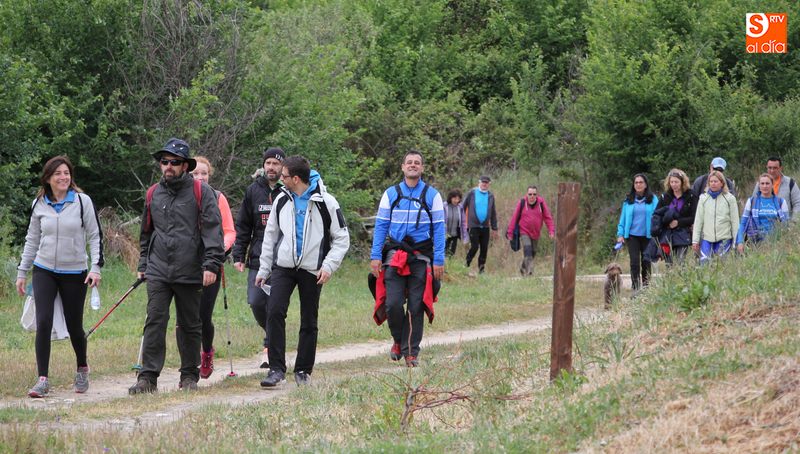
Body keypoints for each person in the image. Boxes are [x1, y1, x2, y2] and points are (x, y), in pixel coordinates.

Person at [129, 138, 224, 394]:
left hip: (190, 269)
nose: (168, 166)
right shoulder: (153, 193)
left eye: (174, 162)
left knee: (190, 325)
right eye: (164, 161)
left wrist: (211, 265)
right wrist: (143, 262)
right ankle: (147, 378)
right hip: (158, 269)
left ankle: (189, 376)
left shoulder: (201, 192)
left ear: (185, 166)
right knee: (154, 321)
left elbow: (213, 231)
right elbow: (146, 232)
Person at [255, 156, 350, 387]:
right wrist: (264, 268)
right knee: (274, 312)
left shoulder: (327, 202)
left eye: (285, 176)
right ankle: (276, 369)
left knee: (309, 319)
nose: (281, 179)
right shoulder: (281, 199)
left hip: (312, 269)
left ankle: (303, 370)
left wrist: (328, 266)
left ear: (296, 179)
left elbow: (342, 239)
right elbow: (270, 236)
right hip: (284, 266)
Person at [16, 155, 104, 398]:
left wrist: (95, 268)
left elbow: (95, 236)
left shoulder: (82, 202)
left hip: (75, 272)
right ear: (48, 178)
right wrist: (22, 272)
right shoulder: (39, 204)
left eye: (66, 173)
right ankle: (42, 380)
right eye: (58, 174)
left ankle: (82, 368)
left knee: (74, 325)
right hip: (44, 269)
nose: (63, 177)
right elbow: (32, 239)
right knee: (43, 321)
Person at [370, 150, 445, 367]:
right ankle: (398, 340)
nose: (413, 165)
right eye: (409, 162)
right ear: (403, 167)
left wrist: (439, 259)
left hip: (421, 257)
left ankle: (411, 352)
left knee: (415, 306)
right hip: (395, 255)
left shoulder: (433, 195)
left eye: (417, 163)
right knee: (393, 304)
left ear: (422, 168)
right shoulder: (390, 194)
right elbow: (381, 226)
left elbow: (439, 229)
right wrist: (375, 255)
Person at [232, 147, 285, 369]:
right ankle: (273, 337)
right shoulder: (253, 190)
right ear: (263, 166)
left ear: (282, 167)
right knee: (256, 301)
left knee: (275, 306)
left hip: (283, 258)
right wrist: (238, 254)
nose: (271, 167)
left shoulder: (288, 190)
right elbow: (243, 225)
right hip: (258, 256)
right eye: (268, 163)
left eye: (275, 163)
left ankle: (270, 349)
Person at [191, 156, 236, 379]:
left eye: (204, 173)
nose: (200, 177)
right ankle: (189, 365)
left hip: (211, 263)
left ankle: (207, 351)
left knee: (203, 315)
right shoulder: (182, 197)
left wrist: (219, 251)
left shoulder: (218, 197)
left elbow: (229, 231)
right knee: (185, 316)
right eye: (195, 174)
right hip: (185, 263)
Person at [616, 173, 658, 291]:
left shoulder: (653, 199)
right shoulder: (628, 200)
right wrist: (620, 234)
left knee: (646, 262)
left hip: (648, 236)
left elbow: (657, 216)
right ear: (633, 185)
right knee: (634, 263)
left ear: (646, 185)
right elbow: (623, 218)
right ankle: (635, 288)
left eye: (641, 182)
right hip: (632, 236)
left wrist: (657, 231)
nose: (638, 184)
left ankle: (646, 288)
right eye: (636, 182)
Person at [505, 185, 554, 276]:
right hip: (524, 231)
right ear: (527, 194)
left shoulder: (541, 203)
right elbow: (514, 217)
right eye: (530, 194)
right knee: (527, 250)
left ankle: (523, 268)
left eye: (534, 194)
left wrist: (551, 230)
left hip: (536, 233)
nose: (532, 196)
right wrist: (510, 232)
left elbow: (548, 218)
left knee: (533, 252)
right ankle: (530, 272)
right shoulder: (522, 203)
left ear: (537, 195)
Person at [692, 170, 739, 264]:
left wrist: (736, 241)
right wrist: (695, 240)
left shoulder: (730, 198)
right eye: (711, 181)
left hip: (724, 239)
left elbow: (735, 221)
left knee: (720, 265)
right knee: (704, 264)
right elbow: (698, 220)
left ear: (722, 183)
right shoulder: (703, 198)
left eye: (716, 181)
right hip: (707, 239)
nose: (713, 184)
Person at [652, 169, 697, 265]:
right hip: (668, 235)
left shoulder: (691, 195)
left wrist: (678, 222)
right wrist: (665, 221)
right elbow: (657, 214)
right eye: (671, 182)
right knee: (669, 264)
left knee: (680, 262)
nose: (673, 184)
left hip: (683, 234)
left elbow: (694, 217)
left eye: (676, 182)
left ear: (682, 182)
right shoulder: (665, 197)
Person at [737, 173, 789, 253]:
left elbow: (786, 224)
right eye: (762, 183)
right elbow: (743, 223)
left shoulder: (781, 202)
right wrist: (740, 241)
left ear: (772, 185)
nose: (765, 186)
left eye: (767, 183)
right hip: (755, 243)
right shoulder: (751, 201)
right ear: (759, 185)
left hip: (775, 243)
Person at [463, 175, 498, 274]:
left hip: (485, 227)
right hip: (473, 225)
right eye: (483, 182)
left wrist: (494, 227)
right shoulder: (472, 193)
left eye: (486, 183)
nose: (484, 184)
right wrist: (463, 222)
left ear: (489, 184)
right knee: (474, 247)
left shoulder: (490, 196)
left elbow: (493, 212)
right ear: (479, 182)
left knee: (484, 248)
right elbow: (463, 207)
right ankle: (466, 264)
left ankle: (481, 269)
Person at [443, 189, 467, 257]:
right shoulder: (444, 206)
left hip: (455, 235)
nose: (456, 200)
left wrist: (465, 236)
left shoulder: (460, 207)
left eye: (458, 199)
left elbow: (463, 222)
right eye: (455, 198)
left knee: (451, 254)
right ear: (450, 197)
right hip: (445, 235)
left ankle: (450, 263)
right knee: (444, 253)